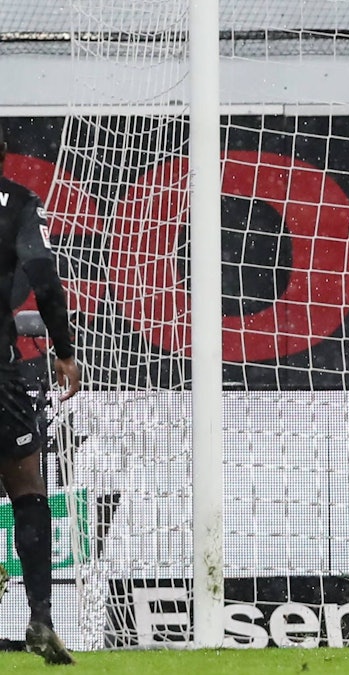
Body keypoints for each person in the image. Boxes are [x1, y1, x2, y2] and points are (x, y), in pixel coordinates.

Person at [0, 124, 82, 666]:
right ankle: (41, 617)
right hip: (0, 368)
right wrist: (65, 347)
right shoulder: (20, 202)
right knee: (28, 490)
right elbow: (43, 273)